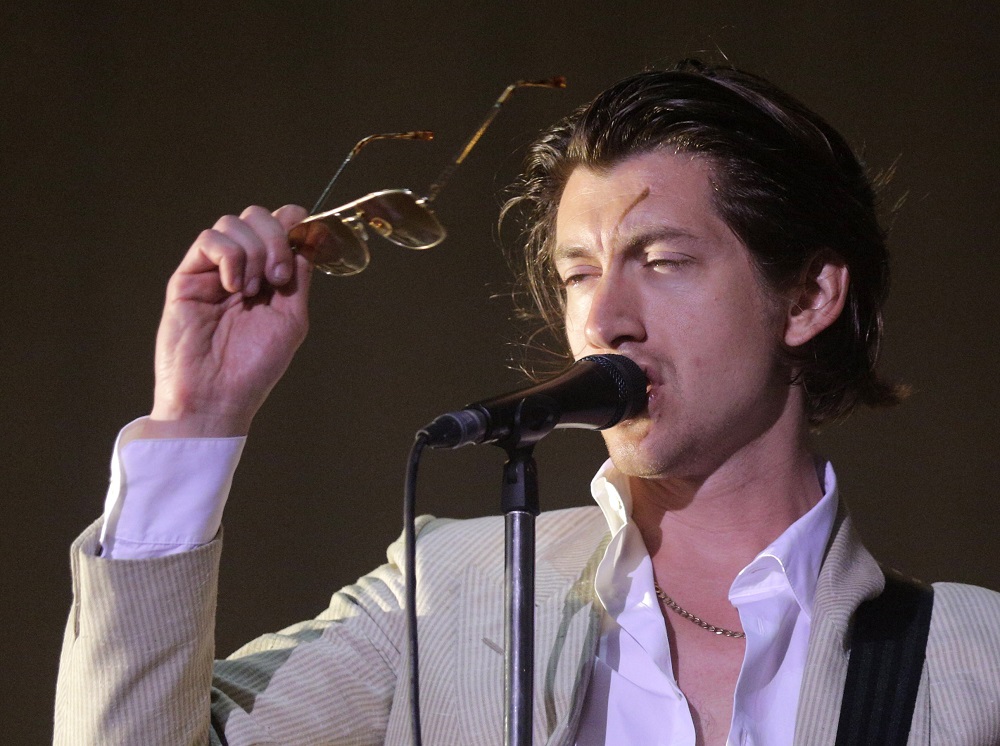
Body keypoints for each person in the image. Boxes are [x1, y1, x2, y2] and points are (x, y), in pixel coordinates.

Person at [54, 61, 1000, 745]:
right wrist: (196, 421)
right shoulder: (450, 596)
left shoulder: (972, 660)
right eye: (578, 274)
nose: (608, 318)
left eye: (664, 262)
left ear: (808, 298)